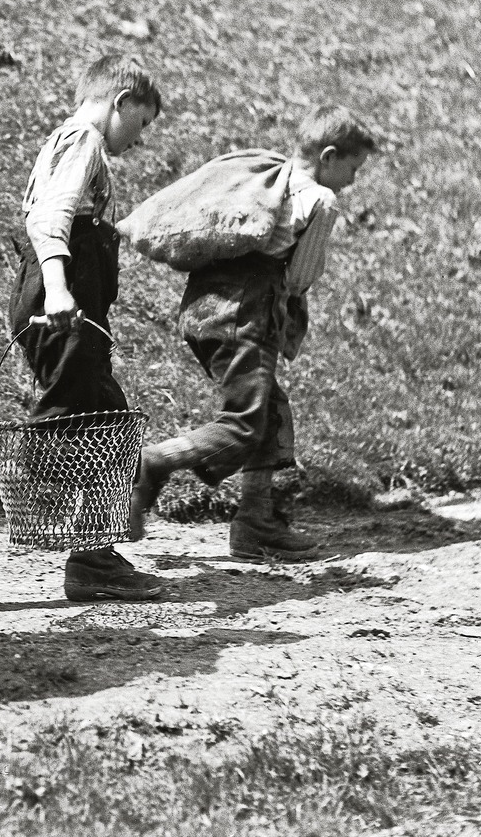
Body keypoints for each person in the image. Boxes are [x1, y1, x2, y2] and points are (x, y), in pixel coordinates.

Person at [0, 55, 165, 601]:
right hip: (61, 294)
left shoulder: (74, 142)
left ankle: (93, 557)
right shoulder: (84, 141)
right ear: (120, 101)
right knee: (76, 423)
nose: (140, 140)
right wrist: (57, 286)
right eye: (141, 123)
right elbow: (50, 216)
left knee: (102, 421)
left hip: (67, 297)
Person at [129, 104, 377, 561]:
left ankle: (254, 522)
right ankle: (153, 462)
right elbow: (301, 276)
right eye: (353, 167)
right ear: (328, 156)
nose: (354, 180)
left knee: (271, 411)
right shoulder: (319, 200)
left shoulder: (268, 181)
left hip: (204, 308)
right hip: (246, 313)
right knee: (246, 423)